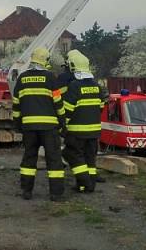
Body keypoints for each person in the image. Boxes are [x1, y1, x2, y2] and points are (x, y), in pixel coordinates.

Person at [12, 47, 67, 201]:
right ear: (45, 60)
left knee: (29, 158)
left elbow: (16, 105)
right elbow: (58, 103)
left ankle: (26, 192)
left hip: (29, 128)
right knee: (54, 159)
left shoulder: (22, 79)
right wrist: (62, 122)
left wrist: (18, 124)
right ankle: (56, 194)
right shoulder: (50, 78)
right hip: (49, 128)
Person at [61, 50, 103, 193]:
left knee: (70, 154)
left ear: (72, 66)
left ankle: (86, 182)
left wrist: (62, 127)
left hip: (77, 131)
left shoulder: (74, 86)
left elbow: (67, 110)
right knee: (90, 159)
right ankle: (85, 186)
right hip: (94, 131)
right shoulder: (97, 86)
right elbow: (101, 107)